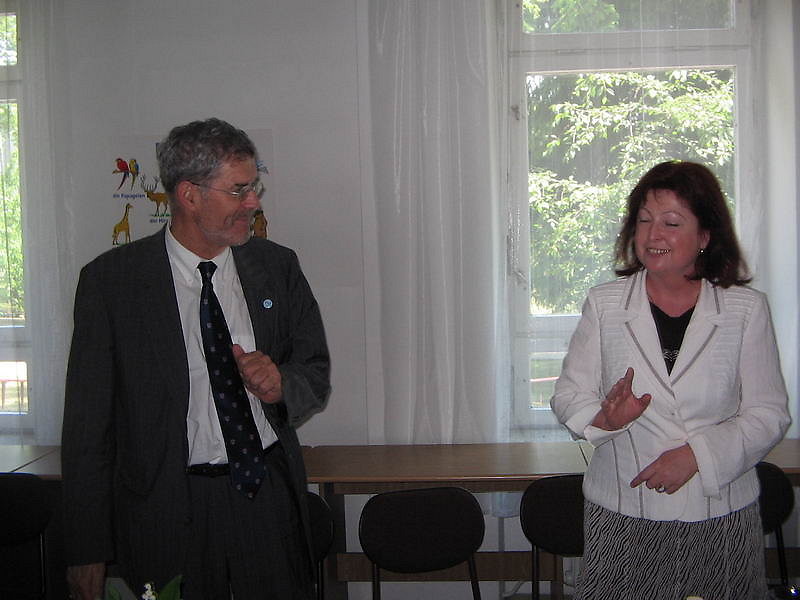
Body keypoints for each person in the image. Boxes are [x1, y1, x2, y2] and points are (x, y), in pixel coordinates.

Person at [61, 118, 331, 599]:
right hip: (166, 508)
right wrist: (87, 550)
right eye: (239, 190)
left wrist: (282, 384)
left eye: (254, 187)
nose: (253, 202)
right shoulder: (112, 284)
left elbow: (314, 372)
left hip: (266, 498)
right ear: (189, 195)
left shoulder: (277, 267)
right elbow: (88, 429)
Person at [551, 160, 791, 599]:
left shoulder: (744, 309)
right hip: (624, 511)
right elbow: (568, 394)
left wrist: (697, 455)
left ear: (705, 236)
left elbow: (769, 413)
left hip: (719, 511)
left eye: (671, 222)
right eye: (644, 220)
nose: (653, 234)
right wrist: (606, 419)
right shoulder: (605, 305)